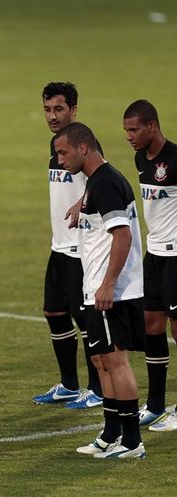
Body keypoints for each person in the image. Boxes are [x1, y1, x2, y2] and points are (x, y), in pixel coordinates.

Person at [56, 122, 146, 459]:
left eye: (63, 152)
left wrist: (107, 284)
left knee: (115, 361)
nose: (60, 160)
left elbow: (122, 235)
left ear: (83, 148)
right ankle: (110, 434)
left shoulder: (106, 183)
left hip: (112, 291)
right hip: (96, 287)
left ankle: (133, 441)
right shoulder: (98, 183)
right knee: (100, 360)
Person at [32, 82, 103, 408]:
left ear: (73, 109)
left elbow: (104, 180)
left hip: (82, 248)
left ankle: (97, 388)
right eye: (47, 109)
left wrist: (82, 203)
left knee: (84, 318)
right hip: (59, 245)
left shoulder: (85, 144)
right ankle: (69, 384)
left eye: (58, 109)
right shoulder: (56, 143)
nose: (52, 116)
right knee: (54, 311)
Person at [123, 99, 177, 431]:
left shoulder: (176, 158)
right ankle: (156, 404)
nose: (129, 136)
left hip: (176, 256)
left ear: (152, 127)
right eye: (126, 130)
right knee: (151, 325)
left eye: (134, 129)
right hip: (154, 254)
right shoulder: (141, 158)